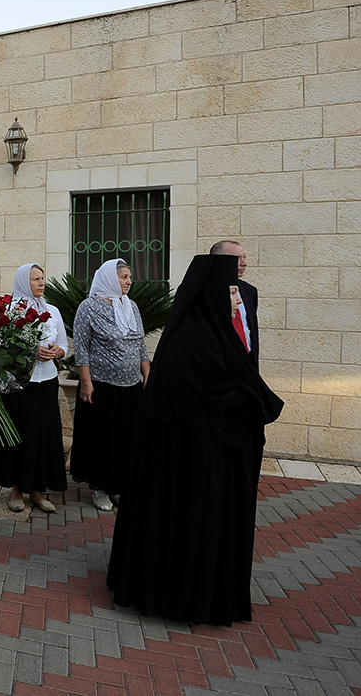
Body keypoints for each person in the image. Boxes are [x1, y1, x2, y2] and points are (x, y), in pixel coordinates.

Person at [107, 255, 283, 625]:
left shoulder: (216, 334)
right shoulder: (191, 341)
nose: (238, 301)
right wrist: (248, 404)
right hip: (191, 466)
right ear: (211, 294)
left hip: (209, 460)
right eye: (231, 292)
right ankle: (181, 598)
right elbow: (210, 401)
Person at [69, 258, 150, 512]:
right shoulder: (89, 307)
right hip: (102, 387)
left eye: (129, 277)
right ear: (109, 279)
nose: (129, 281)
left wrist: (148, 375)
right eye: (124, 277)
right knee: (103, 439)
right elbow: (81, 347)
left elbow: (141, 345)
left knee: (127, 439)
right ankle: (100, 488)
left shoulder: (130, 306)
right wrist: (86, 382)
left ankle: (119, 486)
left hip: (131, 387)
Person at [0, 263, 70, 513]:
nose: (41, 283)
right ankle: (16, 489)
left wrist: (57, 351)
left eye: (43, 278)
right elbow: (1, 349)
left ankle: (37, 490)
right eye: (36, 279)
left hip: (47, 381)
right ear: (24, 281)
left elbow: (64, 345)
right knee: (19, 435)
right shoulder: (10, 311)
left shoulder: (53, 311)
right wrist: (32, 352)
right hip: (19, 384)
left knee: (44, 434)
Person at [211, 240, 259, 368]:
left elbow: (249, 328)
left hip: (247, 361)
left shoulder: (249, 291)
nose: (244, 264)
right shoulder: (203, 292)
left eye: (244, 257)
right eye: (237, 259)